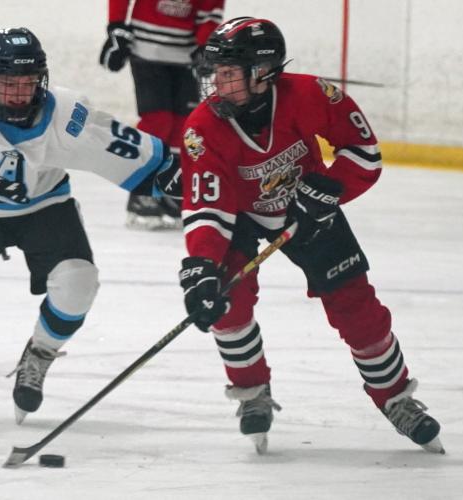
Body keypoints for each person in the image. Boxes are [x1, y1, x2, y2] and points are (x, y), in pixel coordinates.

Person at [177, 17, 444, 454]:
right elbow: (208, 206)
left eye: (229, 74)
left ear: (263, 71)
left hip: (310, 210)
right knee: (227, 302)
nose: (218, 85)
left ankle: (396, 398)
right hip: (240, 214)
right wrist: (202, 266)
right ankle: (251, 393)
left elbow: (364, 153)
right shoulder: (202, 127)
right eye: (216, 73)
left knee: (357, 307)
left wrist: (327, 191)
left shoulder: (310, 95)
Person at [0, 27, 172, 424]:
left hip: (45, 205)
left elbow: (123, 148)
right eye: (8, 84)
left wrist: (176, 174)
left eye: (28, 83)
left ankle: (40, 353)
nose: (20, 94)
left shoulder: (63, 113)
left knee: (78, 282)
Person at [99, 0, 225, 230]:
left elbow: (210, 11)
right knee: (157, 121)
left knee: (184, 126)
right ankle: (142, 190)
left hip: (186, 57)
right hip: (146, 51)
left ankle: (171, 189)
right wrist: (117, 27)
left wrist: (205, 45)